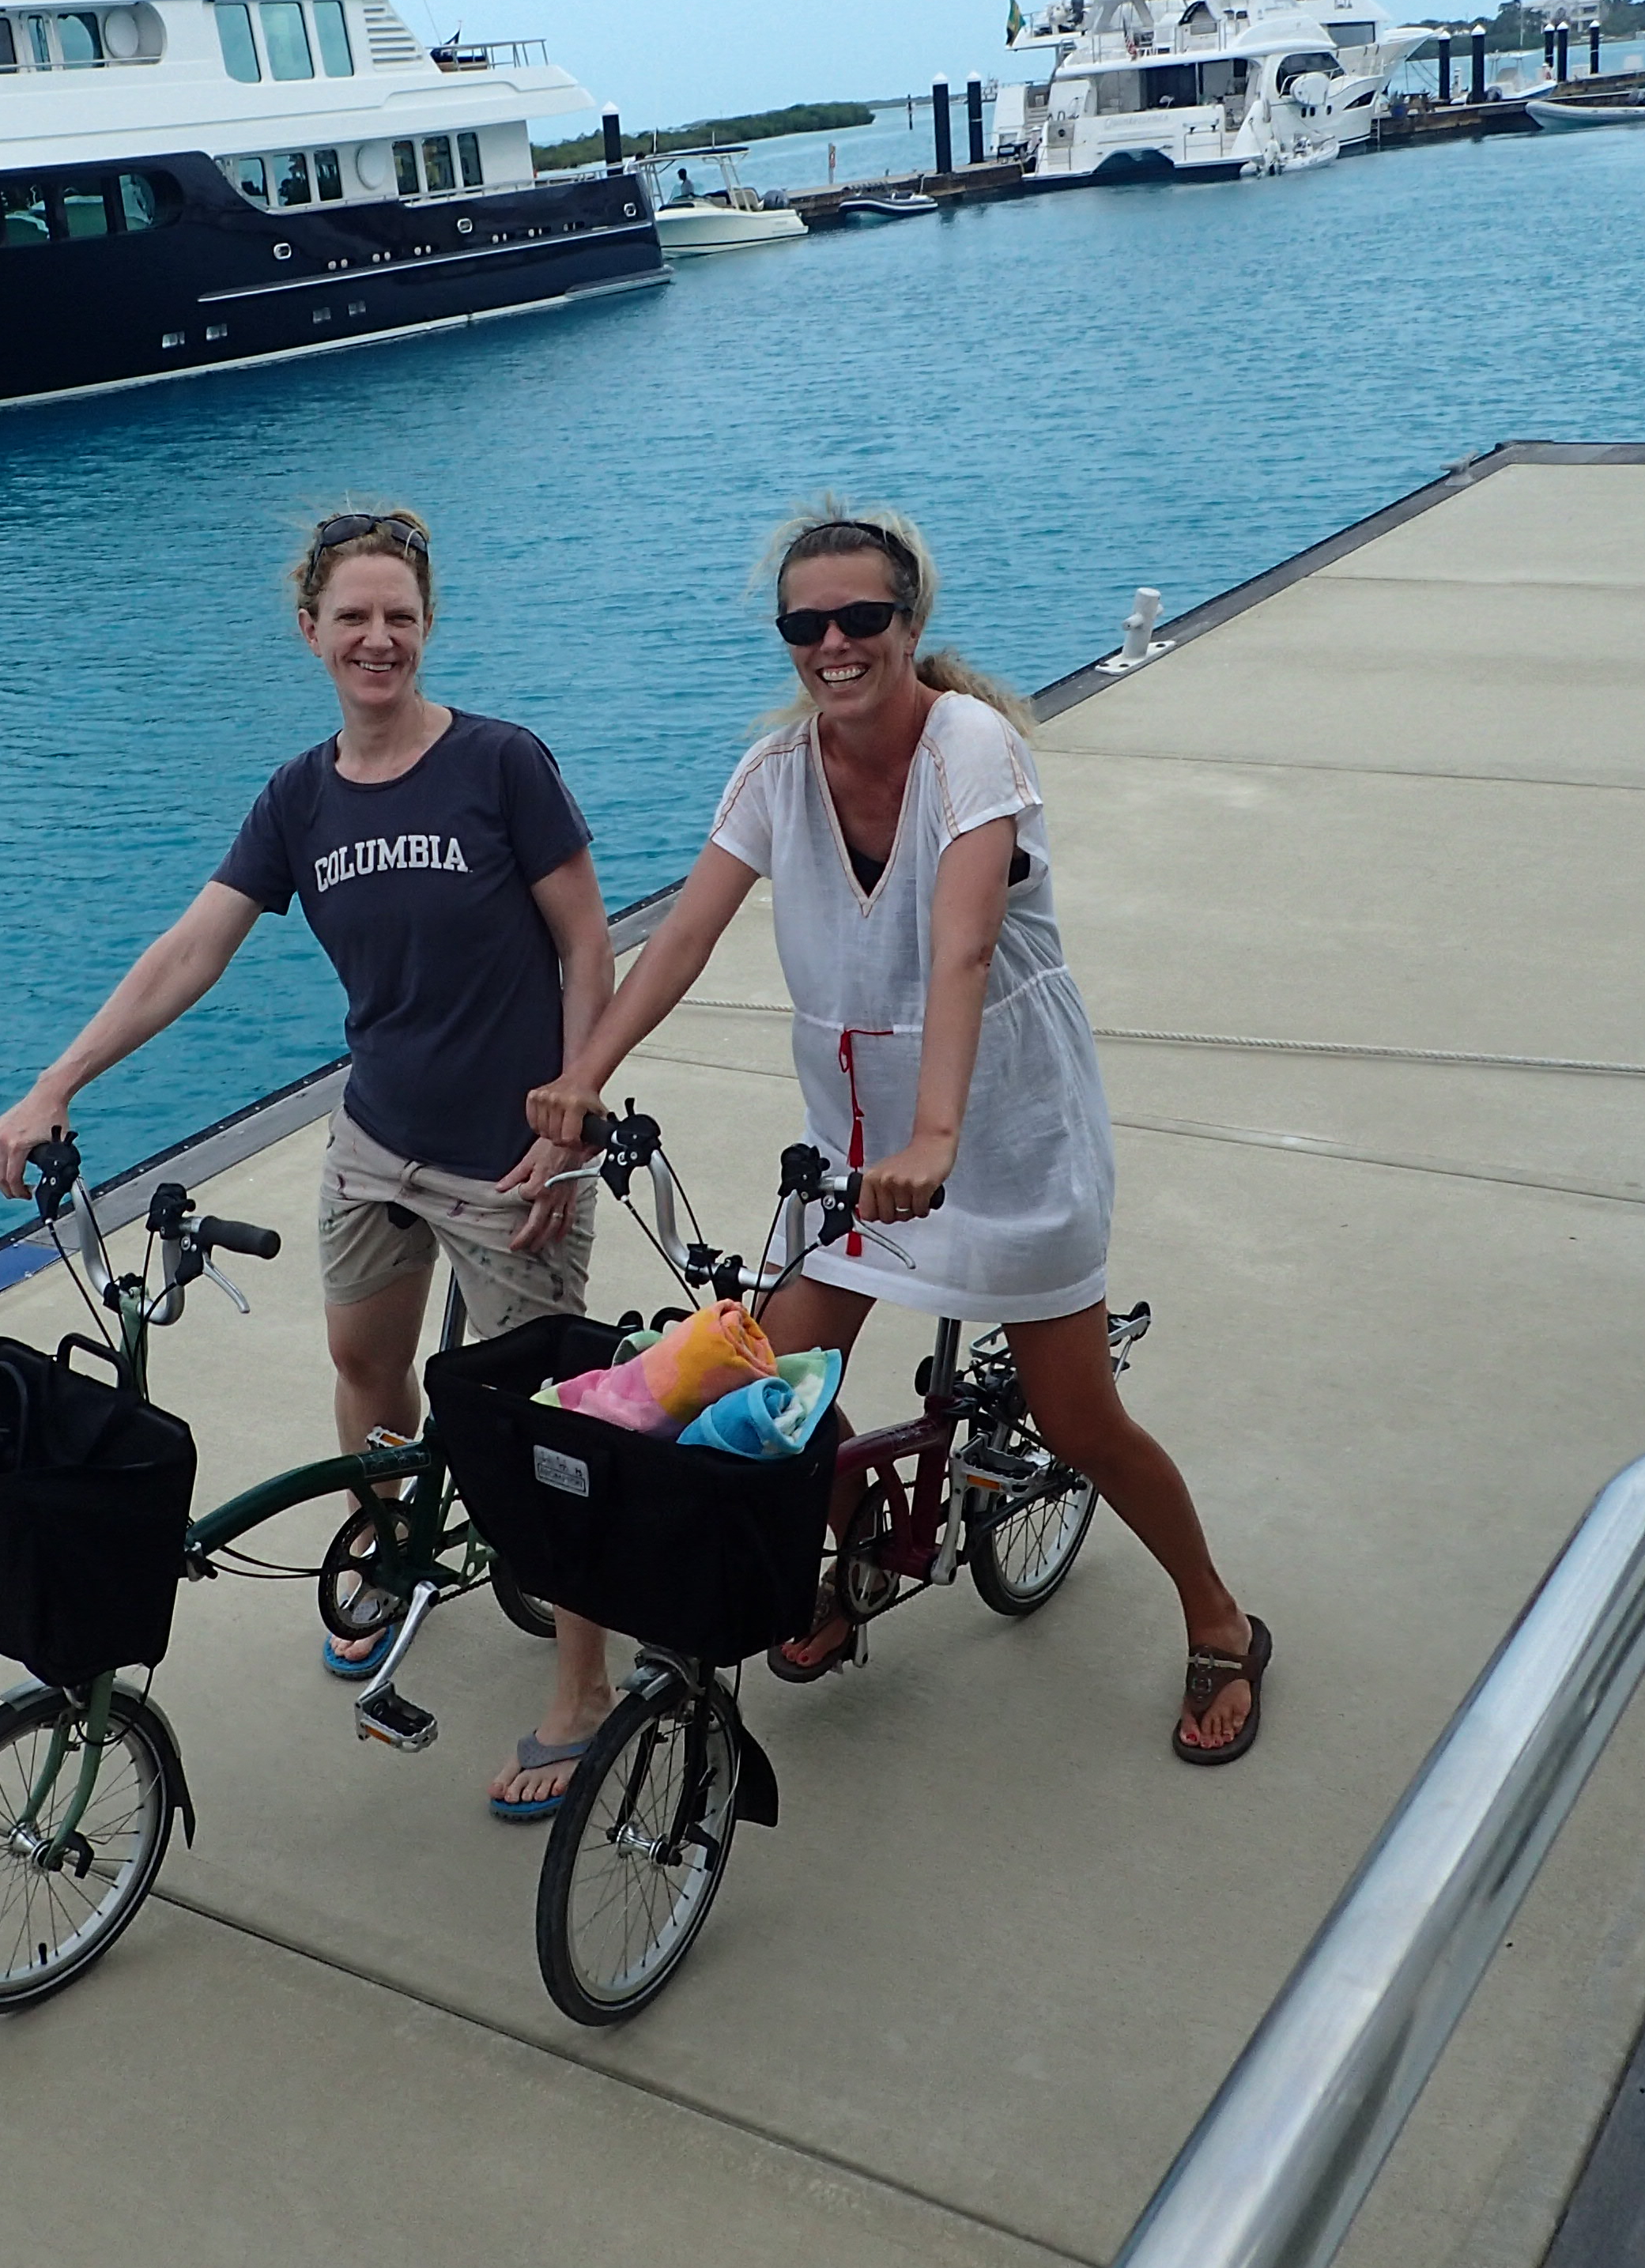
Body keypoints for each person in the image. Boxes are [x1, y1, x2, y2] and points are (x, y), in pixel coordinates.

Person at [530, 502, 1266, 1762]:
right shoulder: (776, 775)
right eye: (806, 626)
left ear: (910, 623)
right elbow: (688, 935)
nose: (835, 645)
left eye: (862, 617)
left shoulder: (972, 747)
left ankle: (1219, 1617)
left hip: (1007, 1137)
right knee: (761, 1388)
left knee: (1077, 1420)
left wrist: (937, 1138)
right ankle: (861, 1553)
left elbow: (961, 945)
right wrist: (580, 1079)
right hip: (857, 1154)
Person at [0, 506, 628, 1817]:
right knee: (363, 1367)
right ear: (310, 631)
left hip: (512, 1158)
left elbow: (585, 943)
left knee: (539, 1426)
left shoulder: (501, 764)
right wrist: (58, 1081)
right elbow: (191, 951)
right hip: (376, 1142)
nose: (377, 638)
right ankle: (392, 1548)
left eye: (399, 616)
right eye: (353, 618)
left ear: (428, 625)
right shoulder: (300, 797)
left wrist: (570, 1116)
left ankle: (585, 1685)